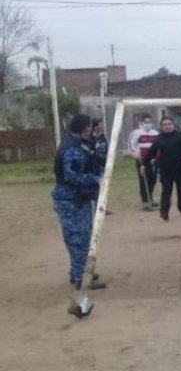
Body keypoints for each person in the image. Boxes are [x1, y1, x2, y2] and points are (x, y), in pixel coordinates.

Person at [52, 114, 106, 290]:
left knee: (84, 237)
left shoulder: (82, 143)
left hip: (79, 198)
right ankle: (80, 278)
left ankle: (80, 271)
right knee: (78, 239)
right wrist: (96, 179)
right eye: (88, 126)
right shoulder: (72, 148)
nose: (91, 129)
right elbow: (72, 175)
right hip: (70, 200)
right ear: (82, 127)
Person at [142, 116, 181, 221]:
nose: (167, 126)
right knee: (166, 190)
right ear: (161, 127)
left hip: (180, 167)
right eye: (164, 124)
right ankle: (164, 212)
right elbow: (151, 152)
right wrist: (144, 164)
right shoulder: (159, 138)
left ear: (173, 125)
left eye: (169, 124)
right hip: (165, 169)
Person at [128, 114, 159, 210]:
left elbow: (158, 146)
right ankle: (145, 201)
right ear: (141, 123)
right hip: (142, 160)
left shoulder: (155, 133)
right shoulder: (136, 133)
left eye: (150, 122)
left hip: (153, 160)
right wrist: (135, 155)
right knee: (144, 179)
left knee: (152, 179)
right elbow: (131, 145)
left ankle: (150, 197)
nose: (148, 124)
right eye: (146, 122)